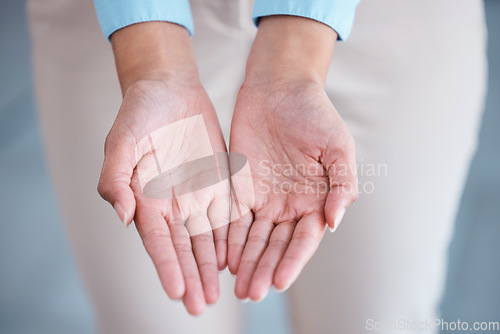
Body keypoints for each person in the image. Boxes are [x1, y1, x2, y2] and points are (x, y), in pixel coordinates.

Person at [27, 0, 486, 333]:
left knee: (379, 322)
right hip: (115, 29)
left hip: (388, 20)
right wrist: (153, 62)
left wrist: (297, 47)